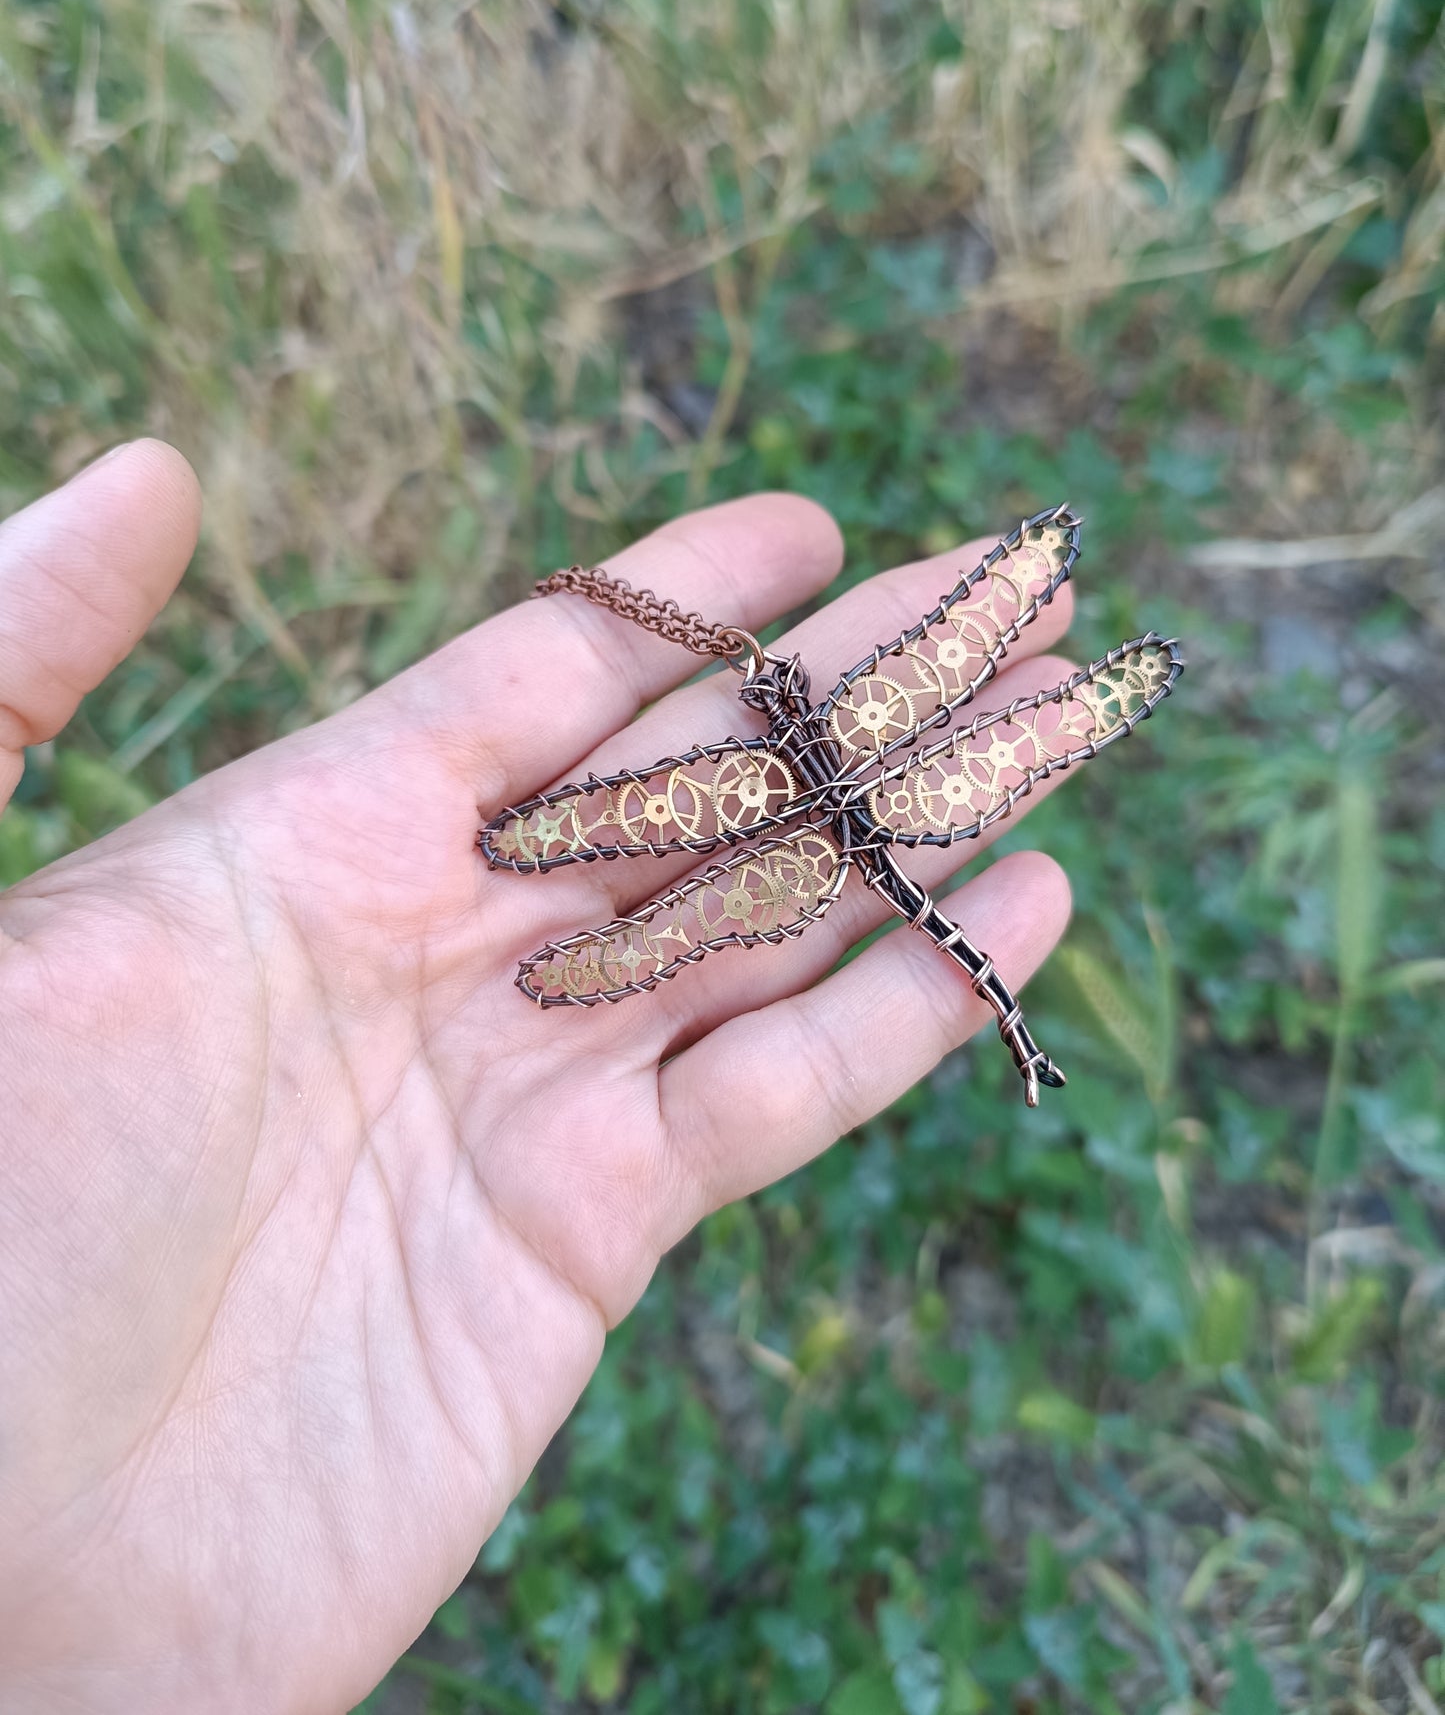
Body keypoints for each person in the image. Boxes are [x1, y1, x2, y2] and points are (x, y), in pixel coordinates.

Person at [0, 441, 1074, 1712]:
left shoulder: (734, 788)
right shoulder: (822, 749)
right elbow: (549, 846)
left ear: (770, 717)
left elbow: (556, 837)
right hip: (867, 834)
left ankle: (1000, 1008)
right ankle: (1009, 1020)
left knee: (652, 943)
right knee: (761, 938)